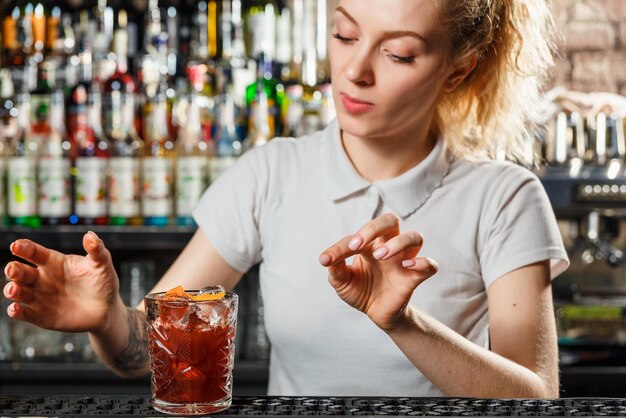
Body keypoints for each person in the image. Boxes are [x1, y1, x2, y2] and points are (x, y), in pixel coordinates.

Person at [3, 0, 569, 397]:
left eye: (397, 54)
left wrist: (404, 324)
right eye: (344, 35)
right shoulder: (270, 174)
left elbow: (535, 397)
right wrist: (105, 319)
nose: (354, 70)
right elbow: (153, 350)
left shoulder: (504, 198)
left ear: (456, 70)